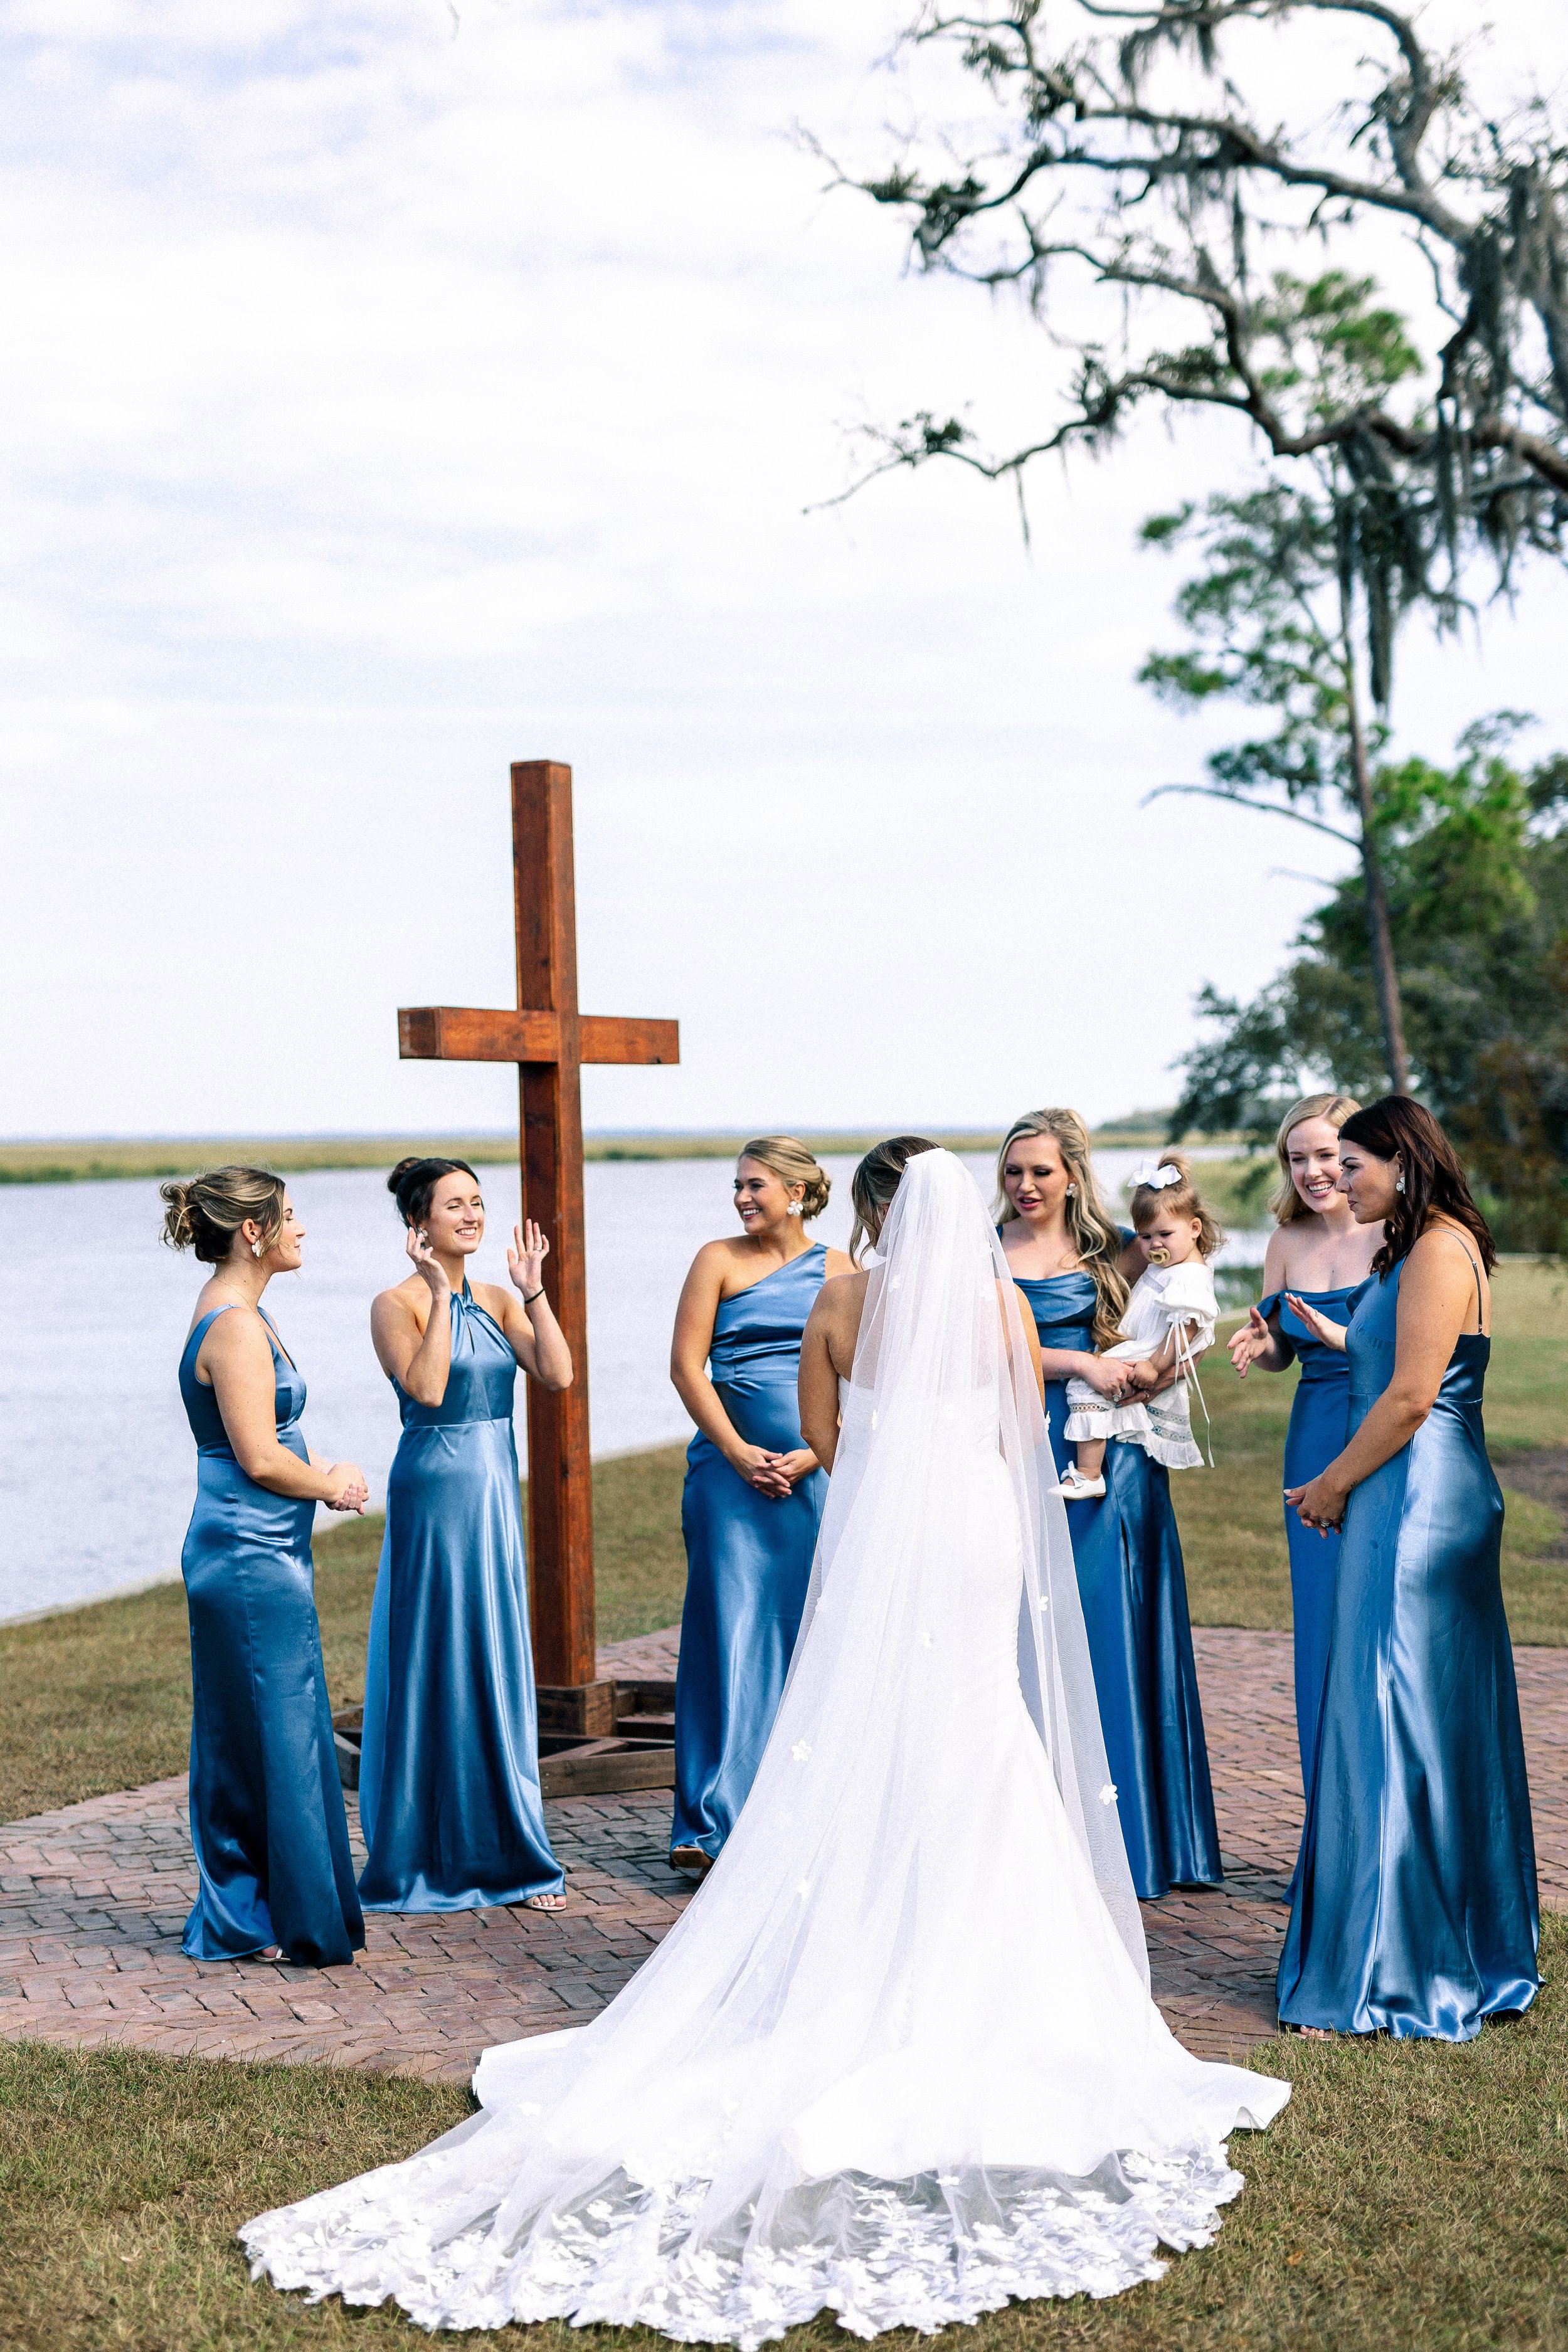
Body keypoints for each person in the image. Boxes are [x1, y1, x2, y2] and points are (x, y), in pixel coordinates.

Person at [241, 1144, 1288, 2338]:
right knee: (984, 1732)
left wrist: (892, 1495)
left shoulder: (841, 1297)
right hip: (979, 1533)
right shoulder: (993, 1301)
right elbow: (1016, 1426)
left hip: (890, 1535)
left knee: (875, 1732)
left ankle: (862, 1951)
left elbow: (824, 1432)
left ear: (875, 1214)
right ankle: (978, 1965)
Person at [1278, 1097, 1539, 2039]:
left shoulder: (1436, 1248)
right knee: (1423, 1709)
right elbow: (1395, 1356)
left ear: (1403, 1158)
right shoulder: (1419, 1243)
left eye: (1354, 1165)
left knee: (1388, 1710)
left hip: (1415, 1491)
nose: (1341, 1182)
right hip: (1416, 1487)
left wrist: (1329, 1486)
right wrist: (1331, 1333)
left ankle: (1392, 1967)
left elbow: (1411, 1398)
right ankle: (1451, 1935)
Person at [997, 1111, 1222, 1899]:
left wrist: (1160, 1371)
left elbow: (1176, 1312)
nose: (1025, 1186)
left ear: (1071, 1176)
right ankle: (1029, 1836)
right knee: (1016, 1626)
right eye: (1013, 1171)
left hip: (1107, 1461)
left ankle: (1128, 1839)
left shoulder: (1112, 1252)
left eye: (1040, 1172)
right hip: (1016, 1450)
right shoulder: (984, 1253)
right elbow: (979, 1344)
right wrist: (1081, 1366)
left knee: (1104, 1630)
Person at [162, 1167, 367, 1968]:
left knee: (270, 1727)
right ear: (255, 1232)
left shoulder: (244, 1312)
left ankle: (265, 1905)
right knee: (273, 1731)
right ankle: (259, 1914)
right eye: (291, 1216)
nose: (302, 1229)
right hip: (246, 1552)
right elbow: (258, 1457)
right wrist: (334, 1485)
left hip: (262, 1549)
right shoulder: (236, 1326)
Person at [357, 1158, 573, 1917]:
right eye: (456, 1206)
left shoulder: (496, 1296)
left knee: (492, 1650)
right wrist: (443, 1296)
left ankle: (507, 1841)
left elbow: (557, 1372)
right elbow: (427, 1388)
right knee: (436, 1653)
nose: (473, 1216)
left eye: (478, 1202)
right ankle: (424, 1845)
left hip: (491, 1490)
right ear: (420, 1224)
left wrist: (533, 1290)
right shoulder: (396, 1304)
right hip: (434, 1489)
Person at [667, 1138, 850, 1874]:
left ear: (799, 1192)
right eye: (737, 1186)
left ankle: (805, 1809)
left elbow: (856, 1374)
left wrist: (815, 1448)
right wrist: (739, 1452)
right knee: (726, 1631)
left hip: (814, 1474)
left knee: (809, 1632)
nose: (742, 1198)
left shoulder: (841, 1270)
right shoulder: (716, 1258)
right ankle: (707, 1820)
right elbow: (686, 1367)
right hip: (726, 1479)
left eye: (756, 1186)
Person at [1227, 1094, 1382, 1793]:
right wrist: (1262, 1344)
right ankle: (1329, 1822)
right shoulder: (1285, 1245)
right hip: (1312, 1437)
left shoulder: (1394, 1235)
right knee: (1321, 1621)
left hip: (1382, 1435)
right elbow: (1280, 1354)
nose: (1313, 1172)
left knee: (1377, 1620)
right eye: (1297, 1159)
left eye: (1327, 1156)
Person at [1059, 1155, 1221, 1493]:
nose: (1154, 1245)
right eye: (1145, 1237)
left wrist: (1154, 1365)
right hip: (1143, 1347)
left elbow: (1186, 1331)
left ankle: (1089, 1475)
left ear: (1194, 1229)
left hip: (1151, 1353)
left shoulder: (1189, 1277)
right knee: (1098, 1388)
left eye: (1165, 1234)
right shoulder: (1170, 1266)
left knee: (1086, 1388)